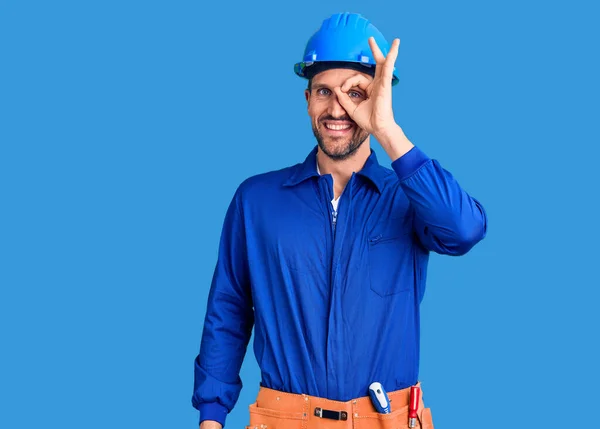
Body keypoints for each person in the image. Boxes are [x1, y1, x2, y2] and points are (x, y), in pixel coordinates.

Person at [192, 12, 487, 429]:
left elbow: (464, 230)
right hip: (284, 420)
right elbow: (229, 309)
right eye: (324, 92)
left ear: (380, 98)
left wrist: (387, 130)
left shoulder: (409, 198)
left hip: (388, 420)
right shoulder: (256, 200)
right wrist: (211, 416)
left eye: (356, 93)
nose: (338, 108)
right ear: (307, 99)